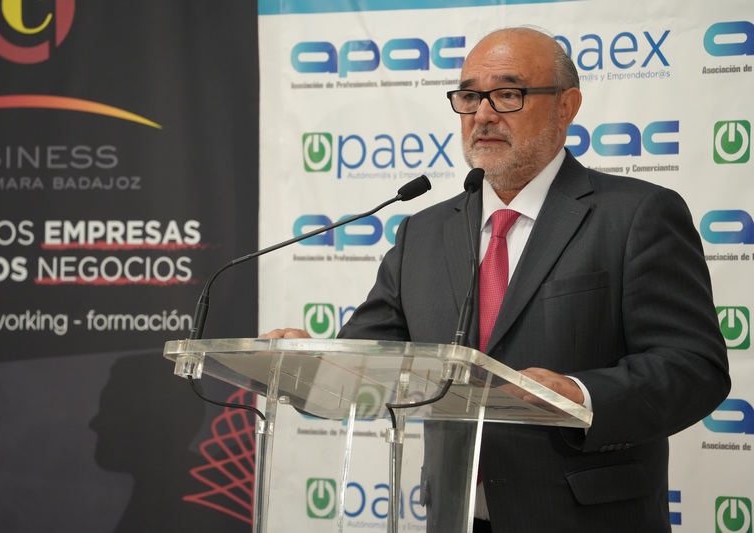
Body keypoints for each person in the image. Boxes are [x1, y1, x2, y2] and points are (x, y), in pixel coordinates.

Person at [262, 26, 730, 532]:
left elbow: (693, 368)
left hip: (584, 518)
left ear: (566, 107)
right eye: (469, 97)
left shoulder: (637, 215)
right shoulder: (424, 232)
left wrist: (579, 394)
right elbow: (366, 364)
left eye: (508, 94)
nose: (482, 114)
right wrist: (306, 367)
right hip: (456, 516)